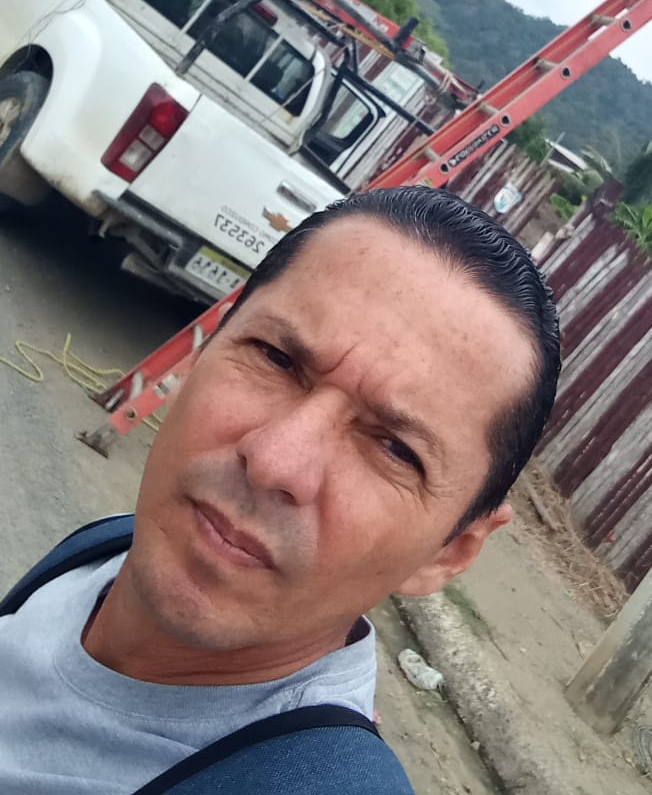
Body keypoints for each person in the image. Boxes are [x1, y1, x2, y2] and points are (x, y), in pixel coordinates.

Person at [0, 186, 562, 793]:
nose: (273, 461)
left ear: (449, 552)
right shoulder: (103, 557)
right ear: (206, 343)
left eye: (396, 449)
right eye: (275, 358)